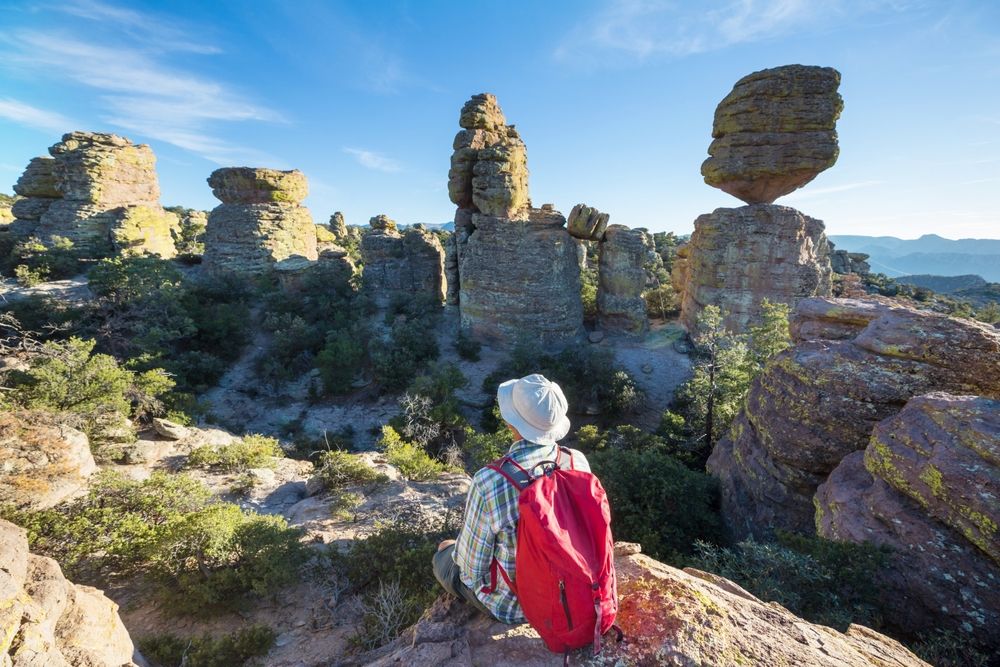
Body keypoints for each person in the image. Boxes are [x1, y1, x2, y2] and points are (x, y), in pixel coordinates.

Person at [432, 373, 591, 623]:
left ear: (511, 423)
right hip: (572, 594)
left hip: (516, 607)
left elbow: (472, 569)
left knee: (444, 552)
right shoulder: (577, 461)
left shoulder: (490, 481)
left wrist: (451, 549)